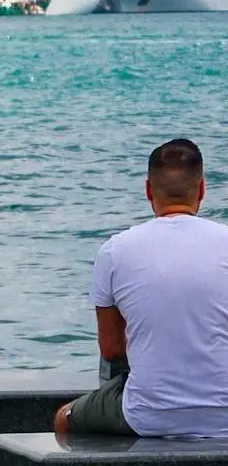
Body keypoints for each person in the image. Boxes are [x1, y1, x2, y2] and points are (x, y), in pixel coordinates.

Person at [55, 138, 228, 438]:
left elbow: (111, 350)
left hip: (147, 416)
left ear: (148, 190)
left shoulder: (115, 251)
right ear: (202, 190)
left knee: (64, 419)